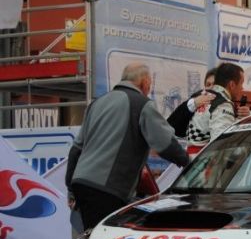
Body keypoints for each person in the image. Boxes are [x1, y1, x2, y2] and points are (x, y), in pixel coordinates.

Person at [65, 63, 189, 230]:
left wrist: (71, 188)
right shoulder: (141, 104)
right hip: (108, 189)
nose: (149, 88)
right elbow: (165, 143)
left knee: (92, 236)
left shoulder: (97, 103)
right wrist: (188, 162)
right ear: (144, 82)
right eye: (149, 84)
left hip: (81, 183)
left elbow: (76, 150)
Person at [186, 63, 251, 156]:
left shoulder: (198, 96)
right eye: (241, 83)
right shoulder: (222, 103)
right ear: (232, 84)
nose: (242, 88)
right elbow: (222, 144)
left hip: (192, 158)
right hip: (204, 161)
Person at [167, 67, 217, 137]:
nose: (211, 88)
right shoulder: (197, 99)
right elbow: (172, 127)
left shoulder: (229, 104)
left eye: (215, 85)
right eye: (208, 85)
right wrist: (194, 103)